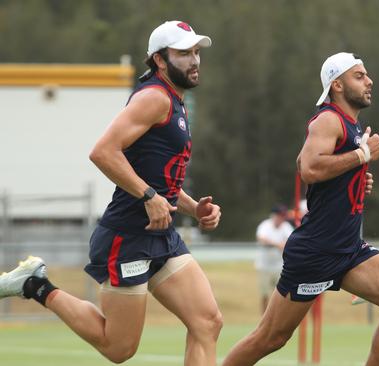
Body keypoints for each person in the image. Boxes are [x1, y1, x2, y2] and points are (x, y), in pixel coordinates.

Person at [0, 20, 222, 366]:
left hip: (162, 235)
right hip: (127, 237)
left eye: (196, 52)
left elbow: (161, 182)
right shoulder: (154, 98)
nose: (194, 60)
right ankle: (34, 285)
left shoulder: (174, 101)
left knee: (207, 322)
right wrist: (149, 197)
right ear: (160, 60)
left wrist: (194, 209)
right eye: (183, 53)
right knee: (119, 348)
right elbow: (103, 151)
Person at [222, 52, 379, 366]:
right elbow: (309, 169)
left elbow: (315, 166)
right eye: (360, 76)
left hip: (349, 249)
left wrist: (356, 180)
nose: (369, 81)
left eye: (367, 75)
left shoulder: (354, 126)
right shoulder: (329, 118)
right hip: (316, 251)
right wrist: (362, 156)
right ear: (337, 85)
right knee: (270, 338)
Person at [255, 204, 294, 313]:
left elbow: (291, 241)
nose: (282, 218)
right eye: (280, 216)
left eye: (283, 216)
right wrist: (278, 244)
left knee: (279, 295)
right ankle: (263, 318)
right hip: (264, 266)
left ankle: (276, 317)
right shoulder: (265, 225)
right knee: (265, 295)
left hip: (279, 267)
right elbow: (262, 238)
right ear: (274, 216)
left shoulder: (286, 227)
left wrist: (283, 245)